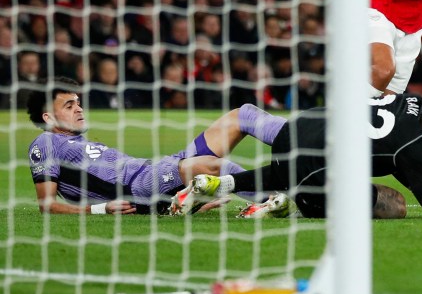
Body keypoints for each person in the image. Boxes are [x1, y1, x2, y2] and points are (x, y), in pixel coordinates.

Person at [172, 77, 422, 220]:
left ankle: (217, 185)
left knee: (307, 167)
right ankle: (279, 204)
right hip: (315, 164)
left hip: (301, 124)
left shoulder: (410, 99)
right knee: (395, 204)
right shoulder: (418, 144)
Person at [24, 77, 263, 215]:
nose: (79, 108)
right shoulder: (45, 143)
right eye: (69, 106)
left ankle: (294, 149)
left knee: (240, 116)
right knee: (219, 167)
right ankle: (271, 201)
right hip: (139, 184)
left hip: (156, 169)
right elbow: (47, 204)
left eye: (78, 103)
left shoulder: (77, 142)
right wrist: (100, 209)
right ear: (48, 118)